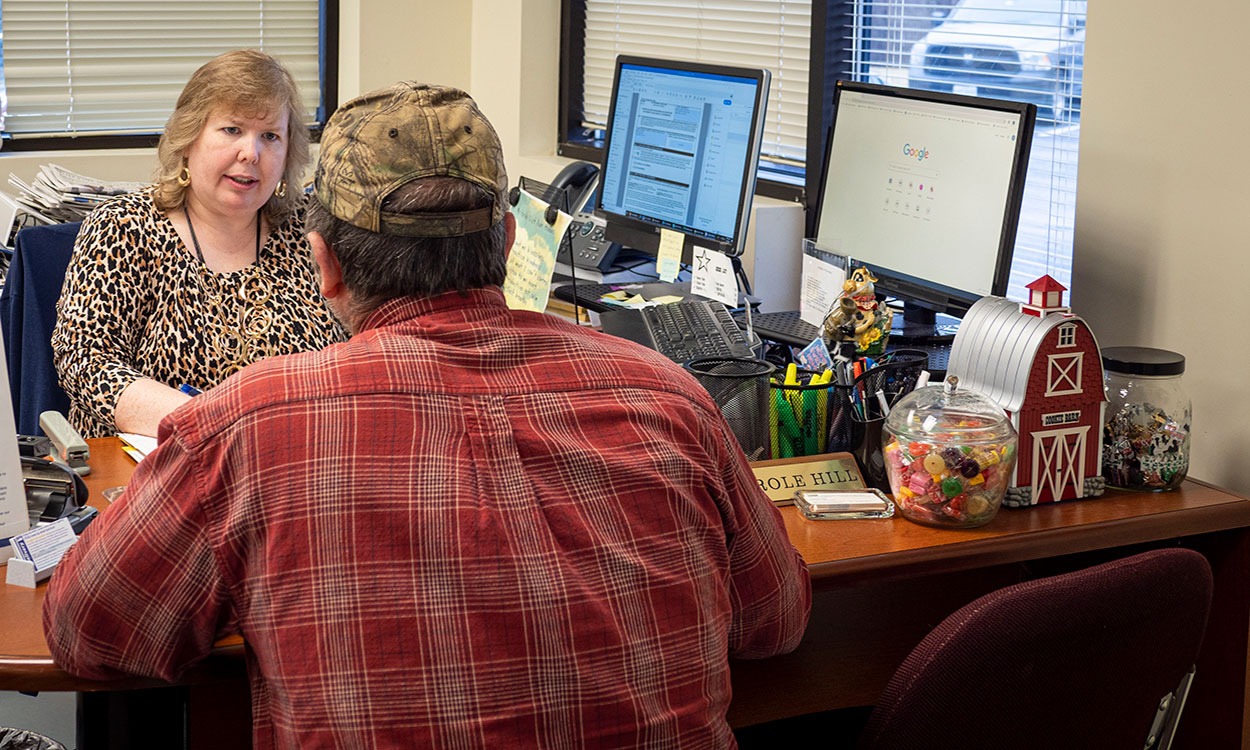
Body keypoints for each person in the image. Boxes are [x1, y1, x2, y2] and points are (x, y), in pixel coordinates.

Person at [43, 82, 811, 749]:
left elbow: (91, 631)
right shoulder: (671, 395)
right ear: (509, 242)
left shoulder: (247, 425)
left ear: (325, 263)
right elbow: (775, 620)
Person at [51, 49, 343, 438]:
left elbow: (364, 342)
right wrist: (213, 425)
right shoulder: (125, 226)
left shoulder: (313, 228)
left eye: (270, 136)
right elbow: (86, 361)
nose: (250, 153)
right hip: (159, 465)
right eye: (232, 129)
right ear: (189, 139)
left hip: (299, 462)